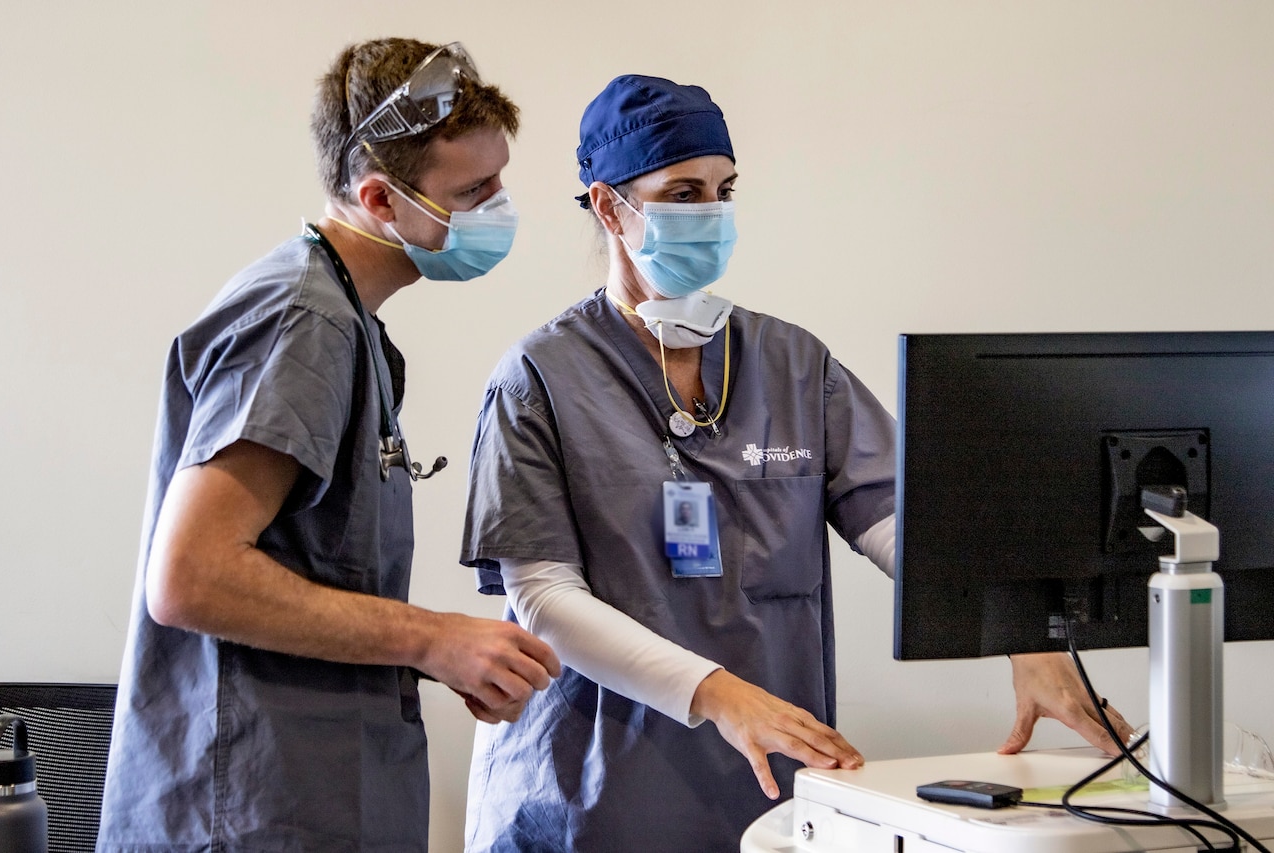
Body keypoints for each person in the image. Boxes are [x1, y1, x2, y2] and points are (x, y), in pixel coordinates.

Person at [458, 74, 1135, 851]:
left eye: (724, 188)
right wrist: (715, 691)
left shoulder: (791, 363)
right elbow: (542, 597)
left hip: (765, 784)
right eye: (683, 193)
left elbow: (900, 522)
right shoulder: (539, 377)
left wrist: (1027, 638)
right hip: (592, 793)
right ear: (611, 206)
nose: (711, 211)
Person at [97, 38, 559, 851]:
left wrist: (442, 656)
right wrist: (432, 637)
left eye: (500, 181)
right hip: (246, 810)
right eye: (474, 190)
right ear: (380, 200)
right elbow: (190, 574)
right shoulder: (302, 321)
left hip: (308, 796)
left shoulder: (344, 321)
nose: (497, 208)